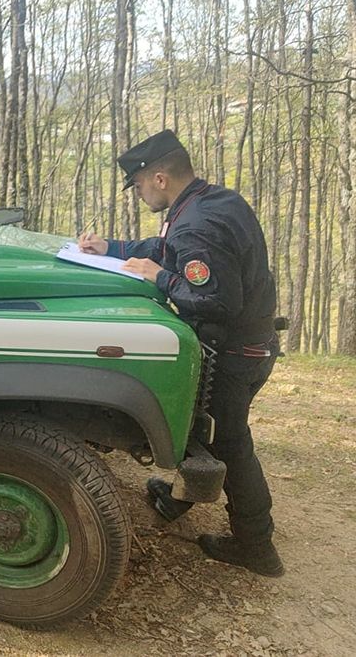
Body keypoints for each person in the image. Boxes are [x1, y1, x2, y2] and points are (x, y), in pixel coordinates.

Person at [78, 129, 283, 577]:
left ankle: (256, 546)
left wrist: (160, 279)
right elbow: (167, 248)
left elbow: (215, 300)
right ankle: (176, 502)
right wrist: (111, 249)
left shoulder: (198, 222)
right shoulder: (209, 201)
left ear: (160, 178)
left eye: (138, 186)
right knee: (207, 432)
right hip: (253, 345)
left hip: (236, 354)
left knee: (230, 441)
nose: (138, 195)